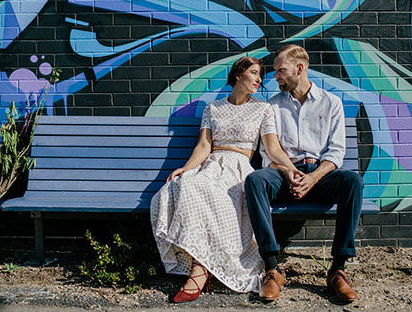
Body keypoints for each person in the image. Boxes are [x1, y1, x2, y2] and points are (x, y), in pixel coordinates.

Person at [150, 56, 299, 303]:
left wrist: (291, 169)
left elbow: (272, 148)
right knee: (185, 184)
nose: (259, 80)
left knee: (224, 199)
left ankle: (200, 270)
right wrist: (185, 168)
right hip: (212, 165)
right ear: (238, 75)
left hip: (239, 168)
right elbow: (204, 145)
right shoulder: (213, 108)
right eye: (254, 73)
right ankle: (200, 264)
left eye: (260, 75)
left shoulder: (263, 108)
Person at [245, 45, 364, 303]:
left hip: (319, 176)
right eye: (275, 71)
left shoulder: (331, 103)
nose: (275, 76)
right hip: (284, 174)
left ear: (299, 69)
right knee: (255, 180)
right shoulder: (272, 106)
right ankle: (272, 268)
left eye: (281, 70)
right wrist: (289, 171)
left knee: (352, 181)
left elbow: (336, 153)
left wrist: (313, 178)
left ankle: (338, 269)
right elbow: (268, 154)